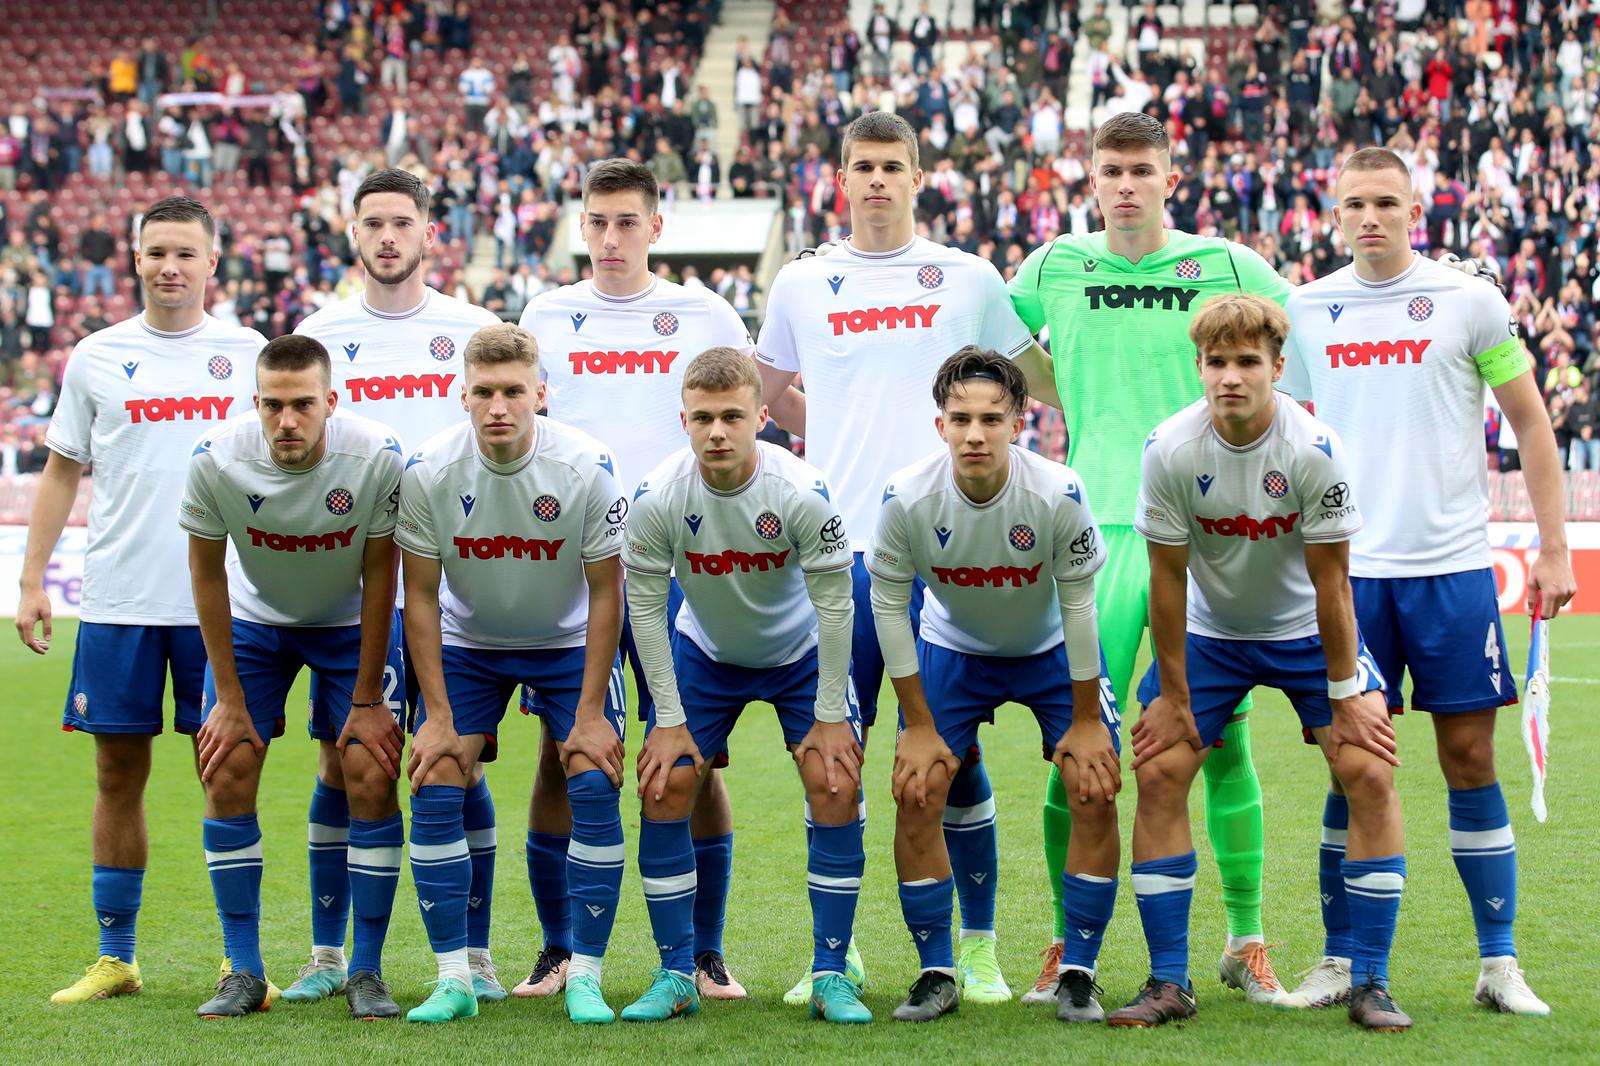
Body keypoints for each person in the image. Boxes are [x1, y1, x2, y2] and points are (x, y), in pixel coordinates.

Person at [758, 110, 1058, 1006]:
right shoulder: (803, 283)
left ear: (918, 177)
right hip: (844, 553)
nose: (878, 180)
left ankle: (976, 949)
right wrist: (836, 436)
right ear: (839, 179)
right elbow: (762, 396)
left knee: (953, 763)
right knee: (837, 760)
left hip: (954, 555)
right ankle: (837, 952)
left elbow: (1035, 383)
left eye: (894, 165)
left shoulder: (967, 279)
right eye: (863, 166)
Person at [1280, 147, 1575, 1016]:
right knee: (1350, 767)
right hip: (1347, 577)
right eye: (1353, 205)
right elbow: (1288, 439)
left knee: (1469, 757)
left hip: (1450, 571)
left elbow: (1531, 424)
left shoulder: (1470, 300)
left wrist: (1553, 550)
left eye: (1385, 203)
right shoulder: (1307, 309)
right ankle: (1339, 963)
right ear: (1332, 212)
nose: (1368, 218)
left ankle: (1499, 965)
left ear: (1417, 209)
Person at [1008, 111, 1292, 1005]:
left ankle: (1244, 938)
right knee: (1074, 743)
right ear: (1089, 177)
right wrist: (1071, 398)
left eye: (1141, 169)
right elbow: (997, 344)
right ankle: (1067, 942)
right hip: (1095, 531)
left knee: (1221, 742)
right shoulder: (1053, 266)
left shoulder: (1229, 265)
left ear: (1171, 176)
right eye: (1110, 170)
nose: (1125, 184)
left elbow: (1293, 350)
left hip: (1201, 531)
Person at [1115, 293, 1411, 1031]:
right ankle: (1168, 982)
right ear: (1200, 368)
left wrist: (1347, 695)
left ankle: (1370, 981)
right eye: (1217, 363)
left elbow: (1333, 584)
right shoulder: (1170, 449)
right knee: (1158, 770)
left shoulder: (1314, 449)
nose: (1231, 378)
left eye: (1248, 362)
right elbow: (1165, 580)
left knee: (1368, 768)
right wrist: (1175, 696)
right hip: (1213, 636)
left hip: (1308, 633)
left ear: (1278, 367)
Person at [17, 196, 266, 1006]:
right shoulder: (95, 355)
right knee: (116, 772)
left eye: (186, 253)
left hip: (221, 606)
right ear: (134, 257)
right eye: (157, 250)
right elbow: (62, 472)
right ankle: (116, 957)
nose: (170, 266)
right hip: (120, 599)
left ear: (213, 261)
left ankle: (240, 962)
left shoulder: (251, 353)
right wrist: (30, 580)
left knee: (228, 775)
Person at [518, 158, 756, 1001]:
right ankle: (556, 950)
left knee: (688, 756)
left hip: (679, 562)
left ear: (657, 228)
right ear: (580, 226)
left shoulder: (703, 313)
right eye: (597, 222)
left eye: (627, 222)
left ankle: (703, 951)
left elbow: (742, 417)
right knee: (561, 751)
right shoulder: (546, 313)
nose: (611, 239)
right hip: (572, 566)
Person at [288, 168, 505, 1011]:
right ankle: (327, 953)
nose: (387, 236)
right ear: (352, 233)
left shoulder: (473, 327)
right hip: (357, 592)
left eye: (402, 222)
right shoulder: (320, 331)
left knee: (459, 762)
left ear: (428, 233)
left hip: (458, 586)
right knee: (344, 765)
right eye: (372, 222)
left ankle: (475, 956)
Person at [619, 347, 870, 1024]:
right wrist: (666, 716)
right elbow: (643, 606)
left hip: (800, 654)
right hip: (709, 652)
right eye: (703, 418)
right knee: (666, 779)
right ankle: (676, 973)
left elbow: (837, 604)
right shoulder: (658, 497)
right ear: (684, 420)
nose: (718, 432)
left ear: (763, 416)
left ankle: (831, 972)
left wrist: (828, 713)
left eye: (732, 415)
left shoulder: (801, 492)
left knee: (834, 779)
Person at [869, 347, 1119, 1024]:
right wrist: (917, 725)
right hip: (956, 650)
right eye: (960, 419)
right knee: (917, 789)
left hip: (1049, 654)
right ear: (939, 425)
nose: (974, 433)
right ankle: (936, 971)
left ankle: (1080, 972)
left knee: (1092, 782)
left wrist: (1089, 719)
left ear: (1019, 421)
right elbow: (890, 608)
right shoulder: (906, 496)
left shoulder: (1058, 492)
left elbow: (1080, 608)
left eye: (990, 418)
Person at [396, 322, 628, 1025]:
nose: (500, 406)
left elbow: (606, 591)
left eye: (515, 392)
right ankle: (456, 978)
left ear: (541, 395)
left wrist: (590, 712)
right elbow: (421, 597)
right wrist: (436, 715)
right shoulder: (429, 471)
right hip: (470, 644)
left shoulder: (586, 464)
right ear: (461, 394)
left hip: (567, 643)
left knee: (591, 775)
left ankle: (583, 974)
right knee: (436, 775)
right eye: (486, 392)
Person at [180, 335, 404, 1018]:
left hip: (349, 624)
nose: (287, 421)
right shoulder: (216, 459)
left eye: (302, 404)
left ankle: (364, 970)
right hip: (255, 623)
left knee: (369, 769)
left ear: (330, 403)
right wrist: (227, 698)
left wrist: (366, 700)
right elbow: (206, 572)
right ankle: (243, 971)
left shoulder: (377, 457)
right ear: (255, 403)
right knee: (226, 765)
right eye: (273, 405)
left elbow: (380, 575)